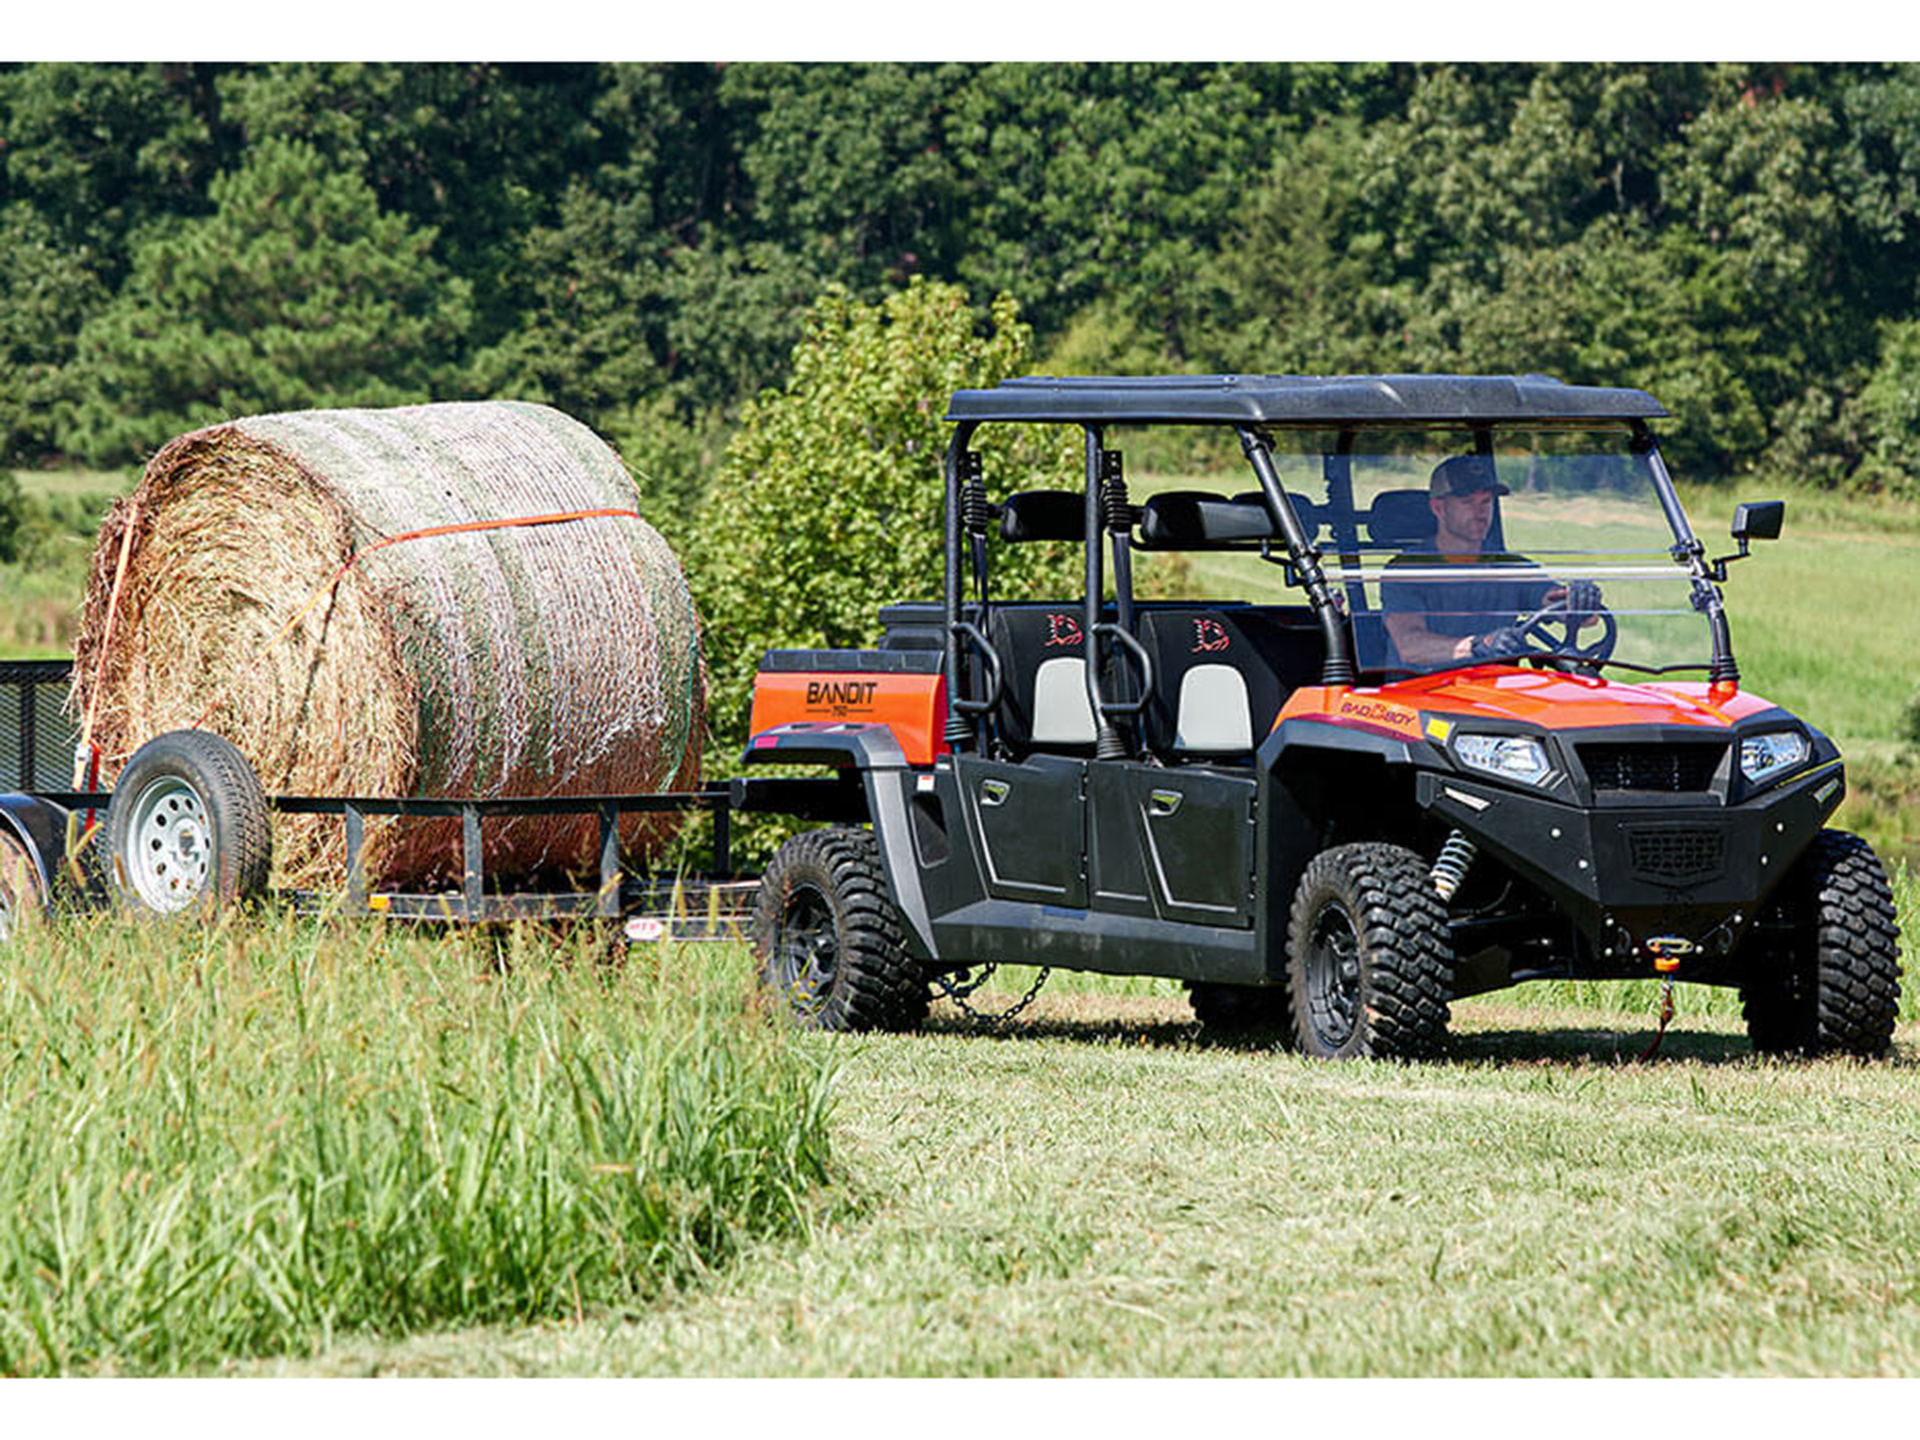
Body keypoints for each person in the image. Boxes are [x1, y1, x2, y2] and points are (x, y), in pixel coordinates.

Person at [1381, 454, 1601, 668]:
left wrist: (1580, 601)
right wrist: (1480, 646)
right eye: (1468, 502)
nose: (1480, 512)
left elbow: (1567, 607)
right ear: (1438, 508)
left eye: (1486, 501)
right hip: (1420, 688)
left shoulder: (1510, 568)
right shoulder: (1407, 571)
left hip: (1492, 687)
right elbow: (1410, 647)